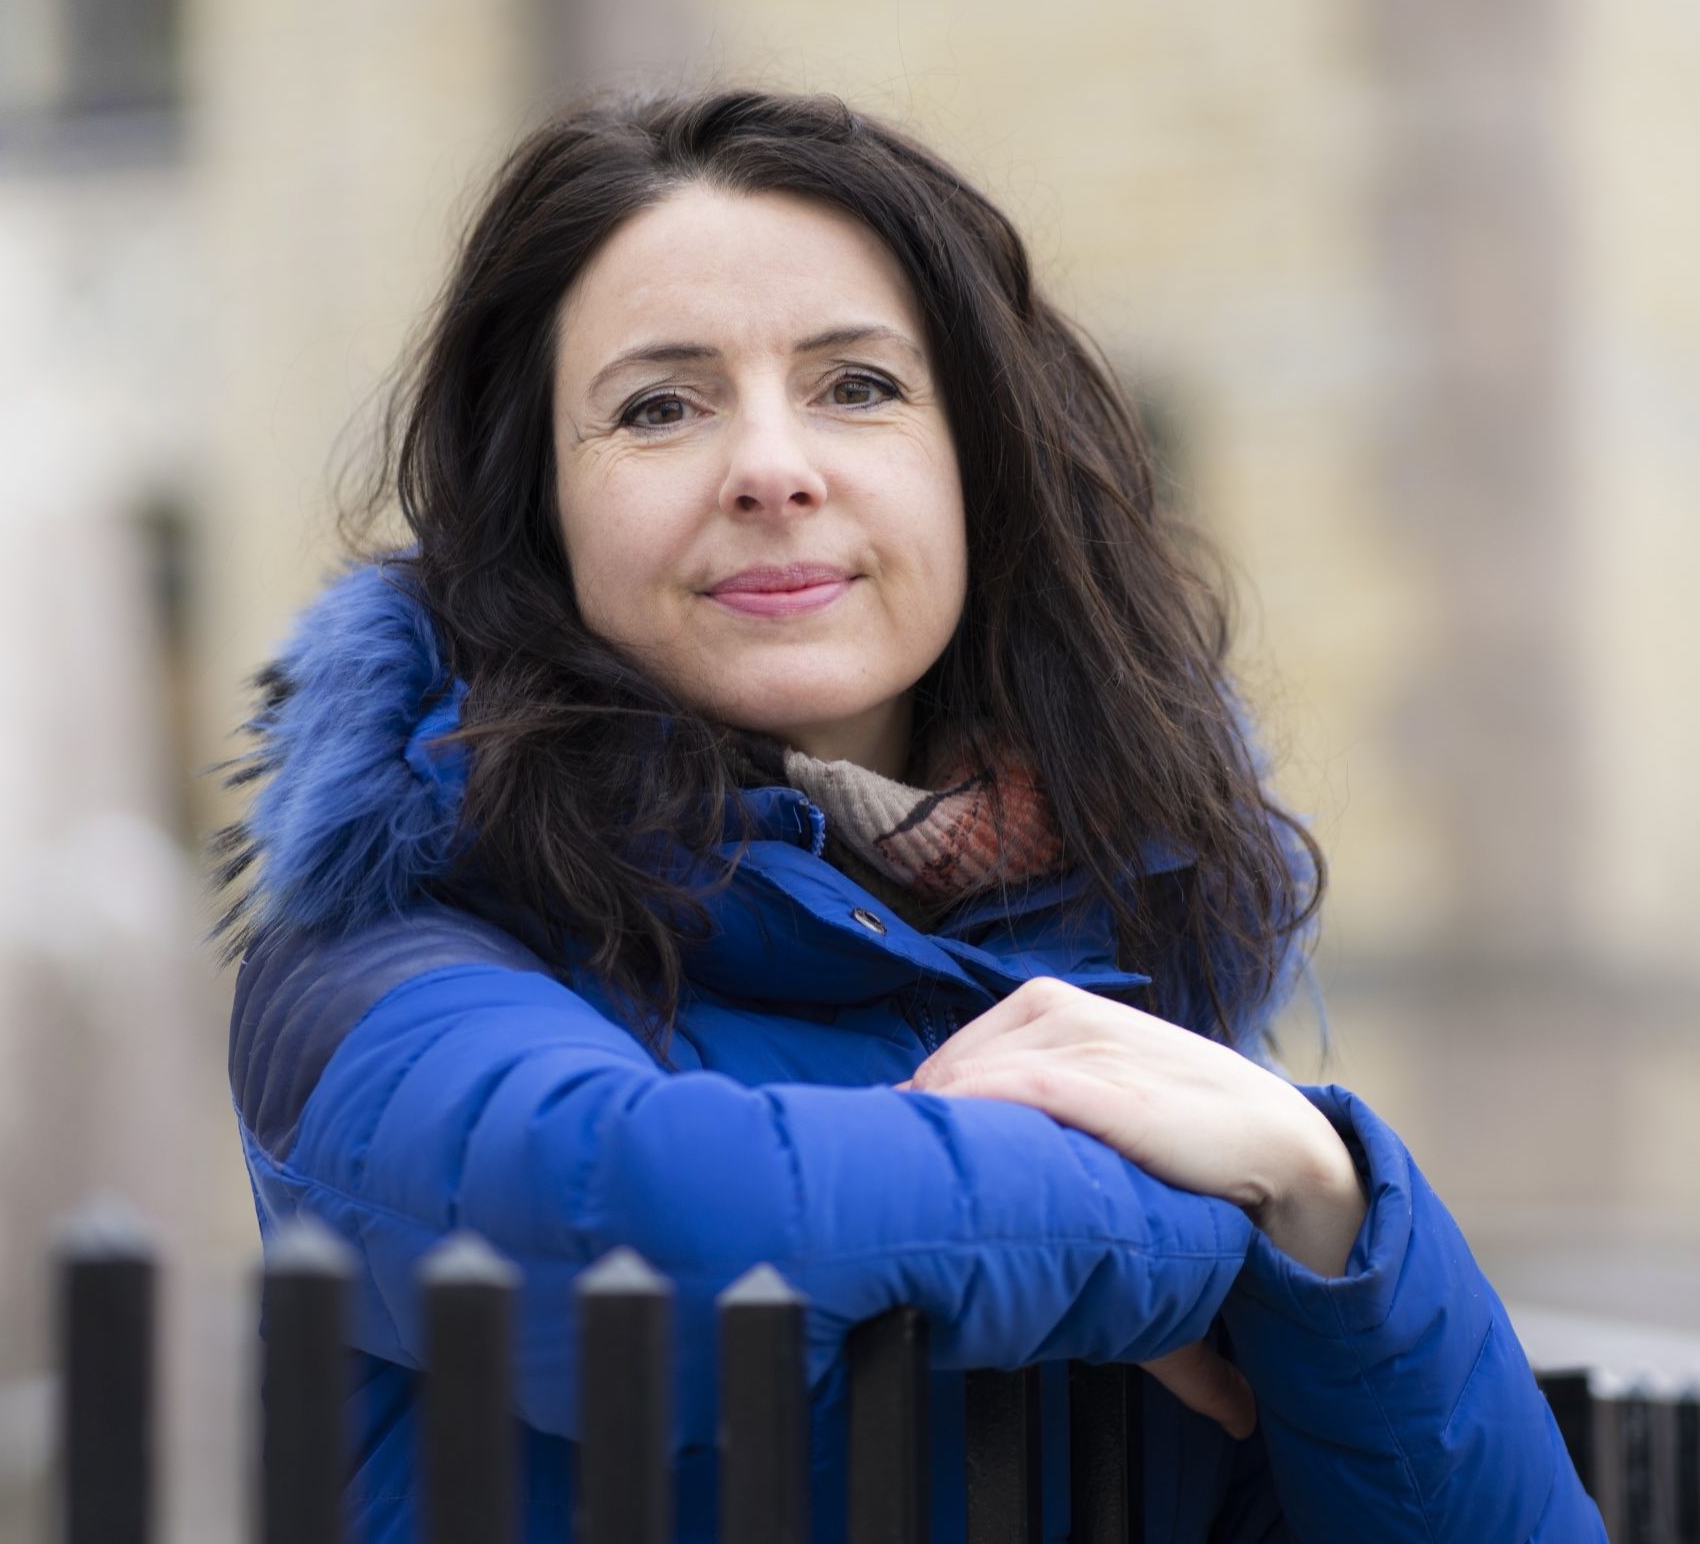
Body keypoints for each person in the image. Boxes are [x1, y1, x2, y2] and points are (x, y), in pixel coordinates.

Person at [218, 88, 1599, 1542]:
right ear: (541, 511)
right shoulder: (385, 952)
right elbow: (641, 1224)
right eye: (659, 407)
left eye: (858, 386)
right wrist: (1245, 1224)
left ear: (978, 468)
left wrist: (1335, 1194)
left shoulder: (1128, 971)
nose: (772, 468)